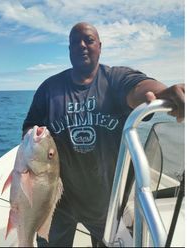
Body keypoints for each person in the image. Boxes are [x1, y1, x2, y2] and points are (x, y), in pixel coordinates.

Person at [22, 22, 185, 247]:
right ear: (69, 50)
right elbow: (29, 128)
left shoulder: (115, 79)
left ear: (100, 46)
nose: (82, 45)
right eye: (74, 42)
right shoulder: (49, 89)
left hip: (104, 201)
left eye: (88, 40)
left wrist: (161, 93)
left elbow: (139, 87)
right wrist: (33, 140)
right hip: (58, 202)